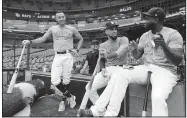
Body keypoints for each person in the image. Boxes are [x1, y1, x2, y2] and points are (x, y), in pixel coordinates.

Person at [79, 7, 183, 116]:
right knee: (120, 74)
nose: (144, 20)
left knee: (158, 98)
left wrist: (163, 45)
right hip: (146, 67)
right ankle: (106, 113)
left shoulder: (173, 34)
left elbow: (177, 60)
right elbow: (137, 56)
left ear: (156, 20)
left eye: (148, 18)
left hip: (165, 71)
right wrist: (134, 49)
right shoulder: (145, 36)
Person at [22, 11, 84, 111]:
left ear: (65, 17)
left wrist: (77, 49)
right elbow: (43, 39)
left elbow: (81, 39)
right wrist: (30, 42)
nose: (61, 19)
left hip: (68, 55)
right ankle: (70, 96)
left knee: (66, 80)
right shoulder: (52, 28)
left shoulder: (72, 28)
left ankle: (63, 102)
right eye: (59, 17)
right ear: (56, 19)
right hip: (58, 56)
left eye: (63, 17)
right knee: (54, 80)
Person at [78, 21, 129, 112]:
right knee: (89, 88)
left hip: (121, 69)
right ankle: (102, 111)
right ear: (106, 31)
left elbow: (120, 52)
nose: (115, 31)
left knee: (113, 92)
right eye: (112, 29)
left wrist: (107, 55)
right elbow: (102, 60)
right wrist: (103, 68)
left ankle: (99, 110)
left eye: (115, 29)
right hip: (108, 70)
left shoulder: (123, 39)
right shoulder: (102, 45)